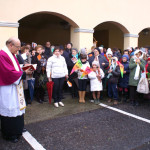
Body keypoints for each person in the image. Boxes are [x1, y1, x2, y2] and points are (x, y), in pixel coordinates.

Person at [0, 37, 33, 143]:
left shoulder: (11, 54)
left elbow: (15, 68)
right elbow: (8, 72)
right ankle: (10, 134)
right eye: (17, 47)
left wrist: (23, 67)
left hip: (15, 86)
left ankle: (18, 130)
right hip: (8, 87)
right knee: (10, 108)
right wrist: (24, 73)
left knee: (17, 107)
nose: (18, 50)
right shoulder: (2, 55)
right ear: (10, 45)